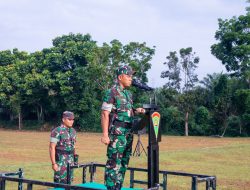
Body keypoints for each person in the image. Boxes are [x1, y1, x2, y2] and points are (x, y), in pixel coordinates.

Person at [101, 65, 145, 190]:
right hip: (117, 134)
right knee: (114, 163)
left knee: (124, 162)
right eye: (128, 75)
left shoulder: (128, 94)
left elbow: (127, 111)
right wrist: (105, 135)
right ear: (120, 77)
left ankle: (118, 186)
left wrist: (137, 110)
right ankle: (110, 187)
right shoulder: (111, 92)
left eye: (132, 76)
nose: (131, 78)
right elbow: (105, 113)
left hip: (128, 133)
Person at [49, 111, 77, 184]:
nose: (72, 121)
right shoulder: (56, 131)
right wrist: (54, 163)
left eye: (73, 120)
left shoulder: (73, 131)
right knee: (59, 183)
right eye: (69, 119)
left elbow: (73, 146)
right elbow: (52, 148)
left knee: (69, 182)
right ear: (63, 119)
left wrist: (75, 159)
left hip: (70, 161)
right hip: (60, 162)